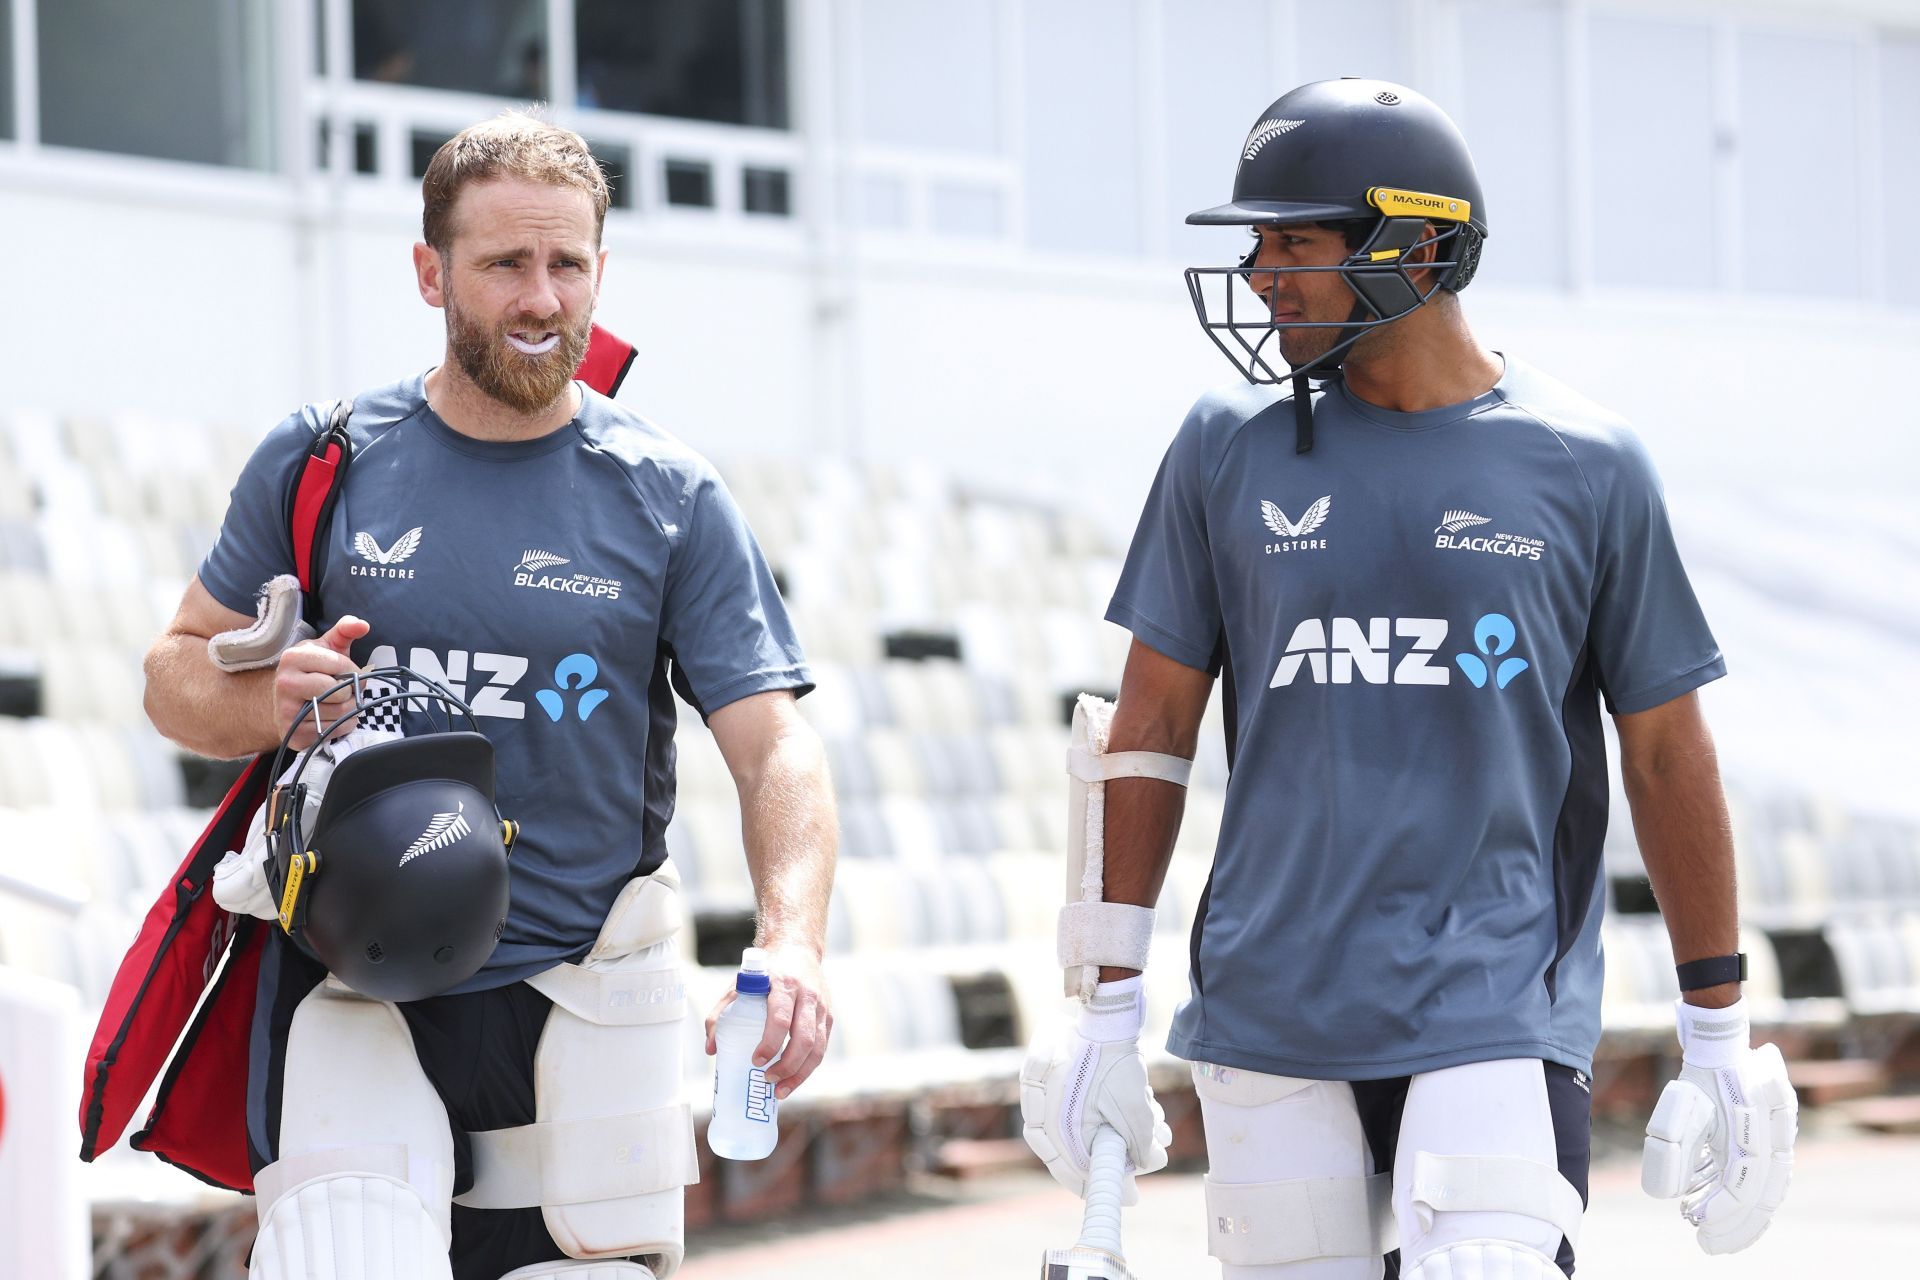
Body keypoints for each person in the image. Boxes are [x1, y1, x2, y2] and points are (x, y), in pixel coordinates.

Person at [1021, 79, 1797, 1279]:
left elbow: (1664, 751)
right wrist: (1104, 1005)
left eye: (1299, 241)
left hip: (1493, 998)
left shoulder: (1588, 464)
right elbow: (1148, 727)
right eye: (1256, 242)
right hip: (1265, 1003)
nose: (1265, 273)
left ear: (1420, 245)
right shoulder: (1223, 445)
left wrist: (1721, 1030)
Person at [140, 112, 837, 1280]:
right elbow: (173, 676)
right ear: (431, 272)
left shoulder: (669, 494)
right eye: (506, 263)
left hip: (576, 1006)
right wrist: (263, 703)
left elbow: (777, 749)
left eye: (568, 264)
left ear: (600, 271)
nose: (542, 297)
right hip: (348, 984)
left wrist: (796, 943)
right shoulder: (326, 460)